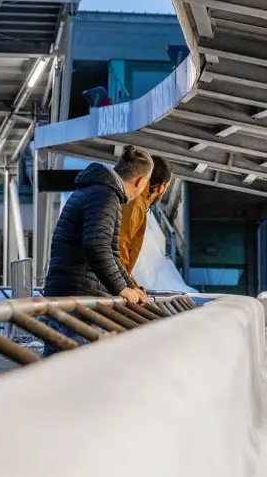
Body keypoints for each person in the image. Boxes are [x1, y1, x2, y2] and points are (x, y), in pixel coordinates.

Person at [42, 145, 154, 356]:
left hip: (67, 291)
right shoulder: (105, 196)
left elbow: (111, 251)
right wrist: (122, 288)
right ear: (140, 181)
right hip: (78, 298)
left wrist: (131, 287)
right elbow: (97, 245)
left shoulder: (96, 191)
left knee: (59, 369)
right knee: (73, 370)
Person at [119, 155, 173, 288]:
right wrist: (129, 287)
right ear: (161, 187)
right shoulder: (134, 203)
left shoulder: (138, 203)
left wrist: (133, 286)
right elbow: (118, 250)